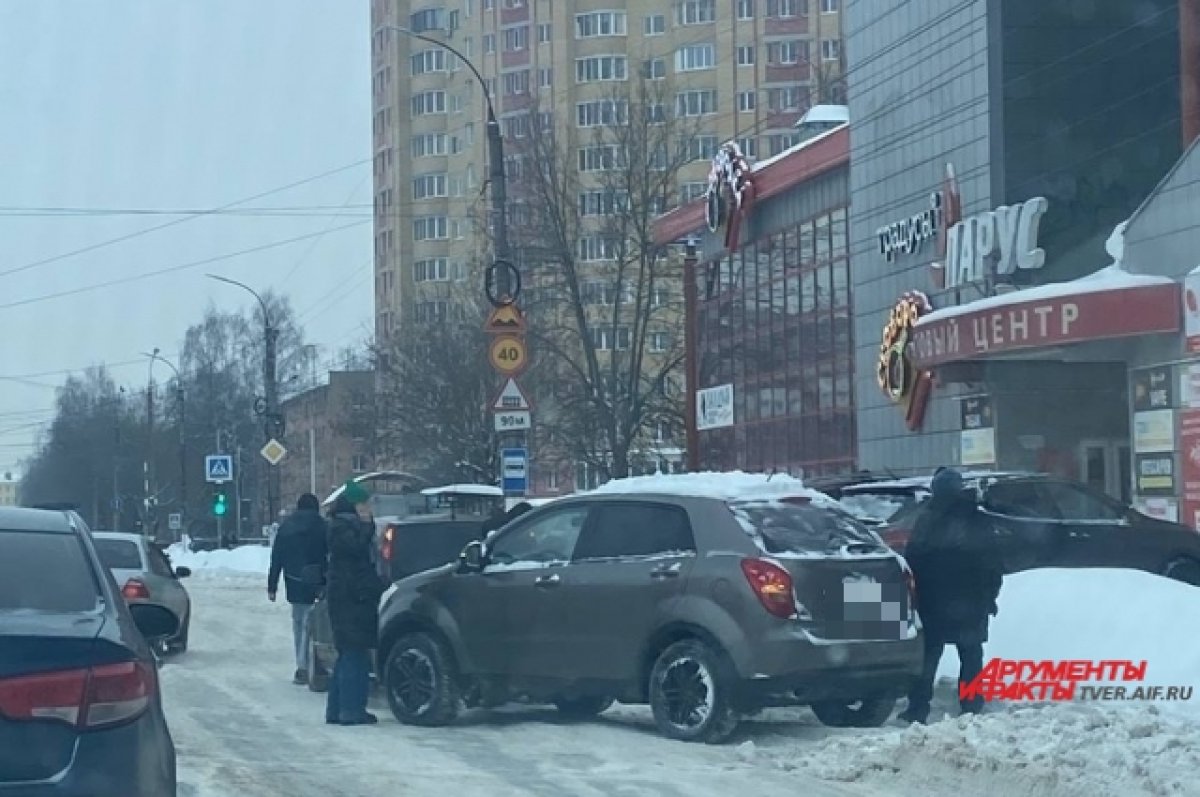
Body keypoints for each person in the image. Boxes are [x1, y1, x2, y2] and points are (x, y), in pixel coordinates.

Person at [898, 467, 1003, 724]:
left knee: (929, 657)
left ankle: (919, 708)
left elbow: (914, 558)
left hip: (934, 602)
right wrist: (989, 597)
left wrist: (915, 596)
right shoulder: (976, 518)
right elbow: (992, 563)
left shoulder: (928, 518)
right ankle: (971, 706)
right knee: (970, 655)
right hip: (970, 602)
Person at [324, 480, 386, 726]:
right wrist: (367, 525)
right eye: (363, 503)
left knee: (348, 654)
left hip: (347, 598)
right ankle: (351, 709)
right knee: (354, 654)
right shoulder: (342, 527)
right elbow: (356, 549)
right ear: (353, 504)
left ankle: (337, 709)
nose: (367, 508)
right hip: (351, 600)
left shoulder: (340, 525)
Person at [268, 493, 329, 685]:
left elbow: (276, 557)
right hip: (319, 582)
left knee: (299, 623)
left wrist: (272, 585)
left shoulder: (286, 527)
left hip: (294, 582)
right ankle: (316, 663)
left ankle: (301, 666)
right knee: (317, 624)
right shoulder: (323, 526)